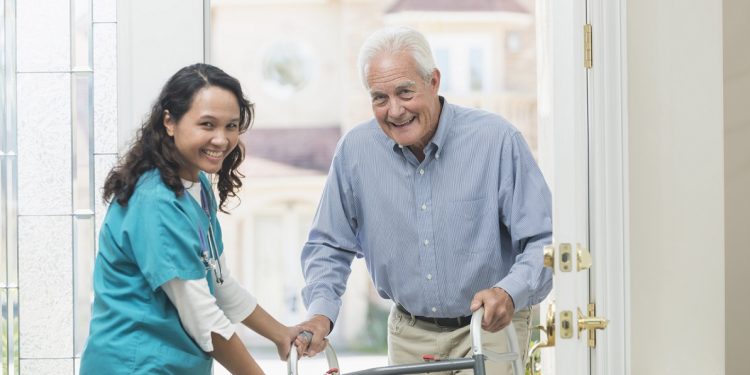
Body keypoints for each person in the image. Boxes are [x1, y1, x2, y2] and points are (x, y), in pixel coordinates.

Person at [297, 27, 553, 374]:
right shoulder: (355, 152)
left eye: (405, 92)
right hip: (409, 334)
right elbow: (328, 245)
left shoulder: (496, 140)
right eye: (380, 98)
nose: (395, 110)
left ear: (433, 81)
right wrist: (321, 313)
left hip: (487, 328)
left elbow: (544, 240)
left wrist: (509, 293)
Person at [80, 63, 301, 375]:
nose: (222, 140)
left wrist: (281, 334)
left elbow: (220, 284)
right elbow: (204, 318)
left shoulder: (196, 186)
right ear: (169, 121)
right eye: (207, 124)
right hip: (134, 365)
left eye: (231, 126)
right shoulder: (155, 201)